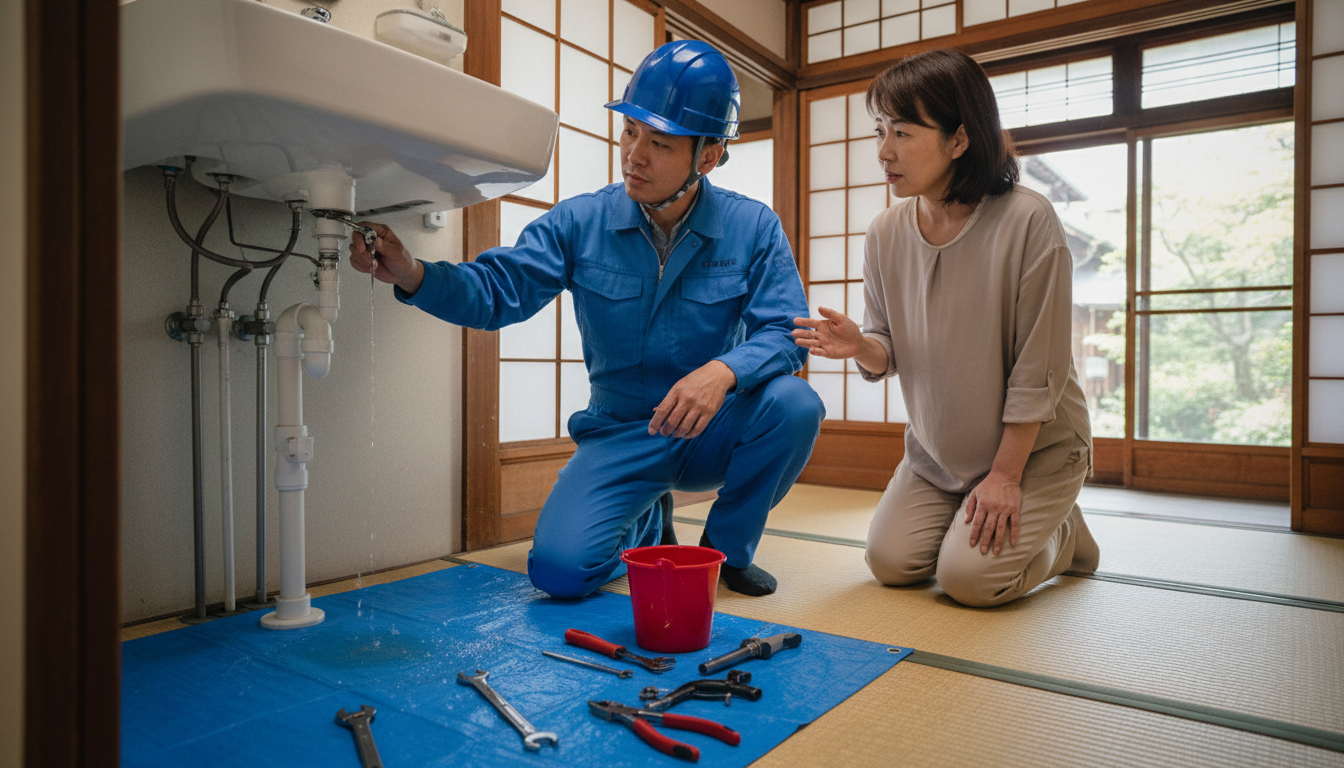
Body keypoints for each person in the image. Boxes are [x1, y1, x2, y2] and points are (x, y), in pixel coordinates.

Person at [350, 40, 823, 598]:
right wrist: (412, 273)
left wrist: (721, 373)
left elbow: (787, 334)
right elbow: (497, 290)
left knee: (795, 405)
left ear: (709, 156)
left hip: (710, 429)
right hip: (622, 432)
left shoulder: (754, 227)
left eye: (660, 142)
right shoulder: (579, 221)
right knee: (559, 573)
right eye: (630, 132)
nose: (634, 156)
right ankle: (646, 521)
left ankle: (724, 552)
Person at [792, 49, 1099, 608]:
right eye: (880, 131)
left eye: (903, 133)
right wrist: (862, 345)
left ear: (960, 139)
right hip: (939, 456)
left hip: (1034, 454)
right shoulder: (885, 232)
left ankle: (1065, 536)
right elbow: (887, 347)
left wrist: (1005, 477)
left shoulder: (1029, 221)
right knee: (891, 564)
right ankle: (988, 518)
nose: (884, 151)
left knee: (969, 582)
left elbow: (1039, 370)